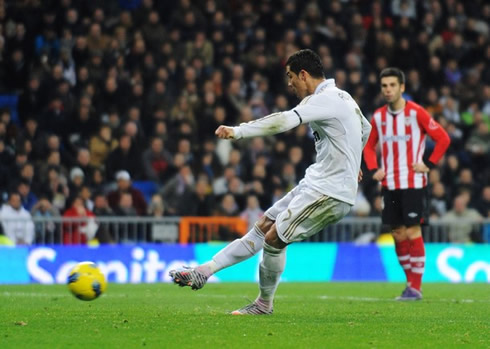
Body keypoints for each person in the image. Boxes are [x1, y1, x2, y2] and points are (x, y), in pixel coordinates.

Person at [170, 49, 372, 315]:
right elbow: (365, 128)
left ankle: (263, 305)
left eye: (291, 77)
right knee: (263, 226)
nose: (289, 84)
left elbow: (283, 121)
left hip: (331, 191)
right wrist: (354, 162)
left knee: (275, 239)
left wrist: (239, 131)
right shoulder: (343, 97)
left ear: (303, 74)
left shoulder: (325, 99)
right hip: (315, 182)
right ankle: (203, 271)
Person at [363, 67, 450, 300]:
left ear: (402, 87)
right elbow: (368, 147)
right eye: (384, 86)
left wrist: (428, 164)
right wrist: (374, 169)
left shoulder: (416, 113)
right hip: (390, 184)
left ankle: (415, 287)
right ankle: (410, 283)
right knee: (397, 233)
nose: (388, 90)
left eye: (392, 85)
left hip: (413, 182)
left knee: (412, 230)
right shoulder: (379, 117)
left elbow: (443, 138)